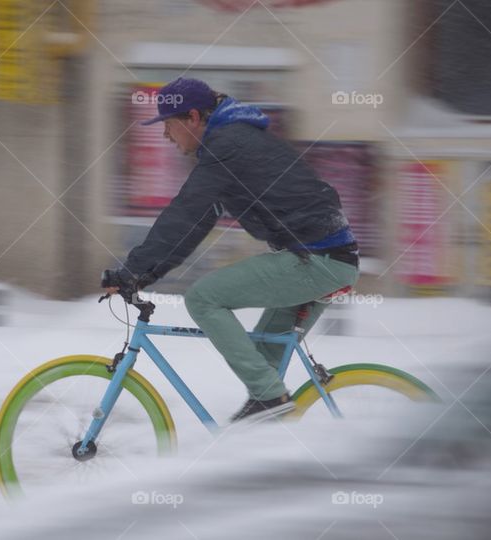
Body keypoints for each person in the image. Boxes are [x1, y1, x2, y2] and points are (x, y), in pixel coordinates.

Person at [102, 77, 359, 422]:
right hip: (325, 257)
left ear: (193, 117)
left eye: (168, 124)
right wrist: (147, 272)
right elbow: (195, 223)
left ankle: (270, 402)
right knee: (264, 367)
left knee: (203, 299)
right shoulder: (234, 143)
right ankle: (267, 439)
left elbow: (185, 212)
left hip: (316, 259)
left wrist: (133, 272)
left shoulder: (228, 147)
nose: (165, 135)